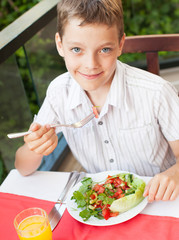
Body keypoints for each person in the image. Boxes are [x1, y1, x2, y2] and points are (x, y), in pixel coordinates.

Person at [15, 0, 179, 203]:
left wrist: (175, 174)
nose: (90, 65)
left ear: (120, 45)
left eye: (104, 50)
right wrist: (34, 147)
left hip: (158, 200)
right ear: (60, 45)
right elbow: (23, 168)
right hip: (102, 205)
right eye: (76, 49)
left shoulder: (157, 92)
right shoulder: (59, 93)